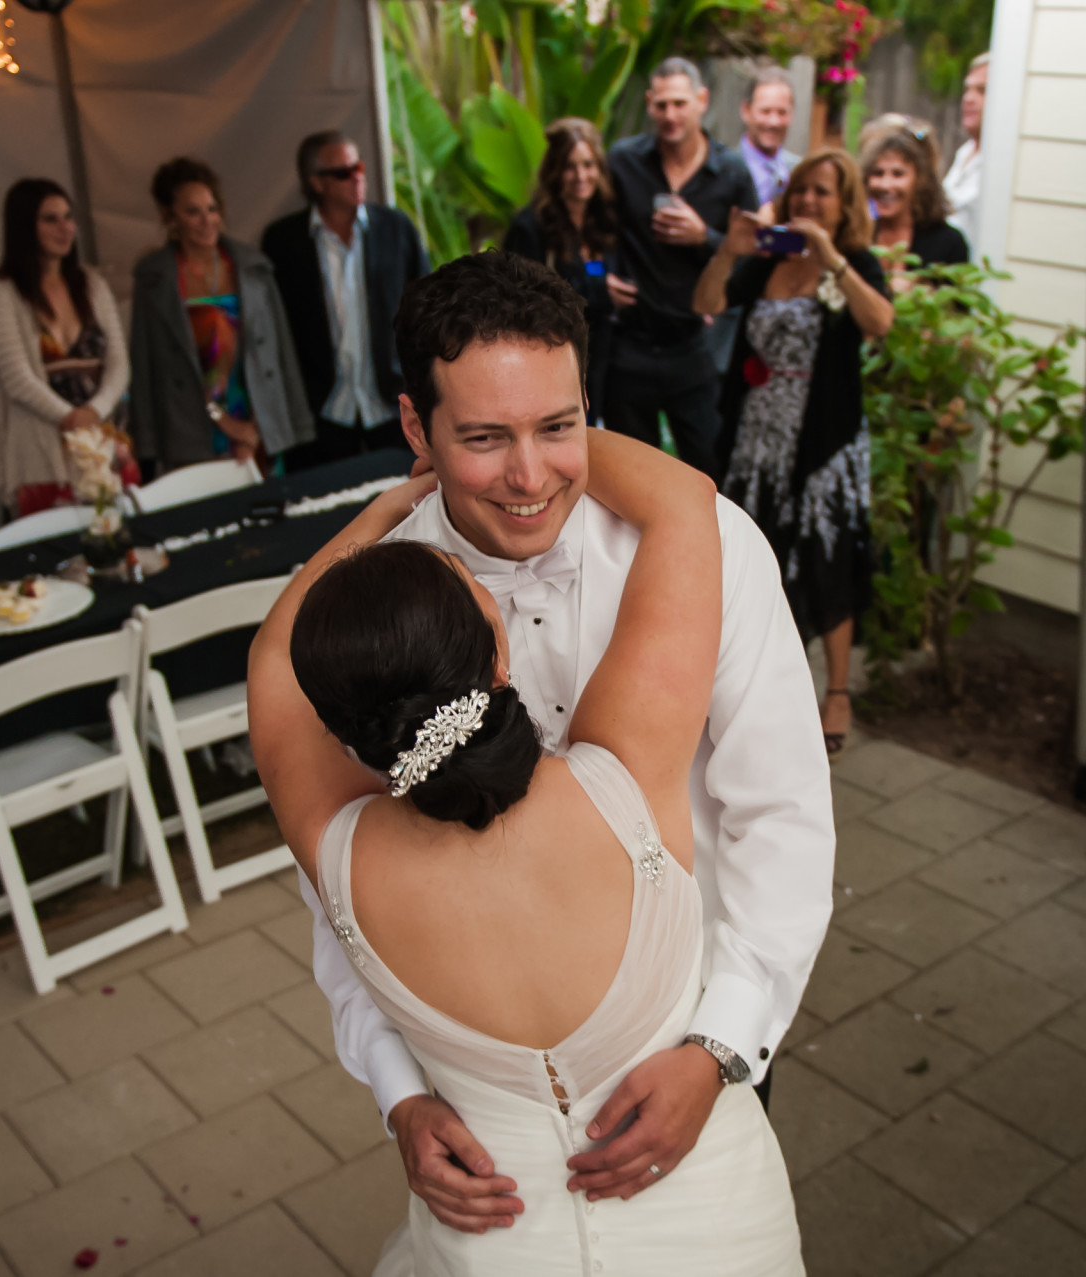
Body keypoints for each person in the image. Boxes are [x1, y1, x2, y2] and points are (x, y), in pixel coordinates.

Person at [275, 250, 834, 1246]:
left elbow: (782, 809)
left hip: (704, 1029)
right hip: (480, 1096)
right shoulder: (367, 612)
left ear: (591, 402)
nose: (530, 476)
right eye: (485, 437)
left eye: (558, 425)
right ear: (415, 428)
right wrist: (399, 1090)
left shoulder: (714, 547)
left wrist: (720, 1043)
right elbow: (339, 889)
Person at [694, 150, 896, 758]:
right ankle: (752, 689)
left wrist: (831, 258)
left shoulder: (851, 263)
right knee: (756, 562)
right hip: (757, 440)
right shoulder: (770, 259)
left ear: (844, 204)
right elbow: (705, 304)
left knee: (826, 557)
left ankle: (837, 690)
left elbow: (880, 322)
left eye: (824, 193)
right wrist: (729, 249)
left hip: (821, 445)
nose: (809, 201)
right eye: (801, 190)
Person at [603, 57, 760, 477]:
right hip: (630, 345)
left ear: (701, 101)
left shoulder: (731, 172)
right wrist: (603, 279)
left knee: (709, 471)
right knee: (631, 477)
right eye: (661, 105)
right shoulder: (622, 161)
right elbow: (593, 233)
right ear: (650, 104)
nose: (670, 115)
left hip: (696, 345)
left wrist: (705, 237)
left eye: (679, 103)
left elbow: (751, 257)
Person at [129, 157, 313, 471]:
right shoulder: (154, 279)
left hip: (256, 425)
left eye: (211, 208)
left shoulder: (254, 268)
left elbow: (279, 354)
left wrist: (266, 424)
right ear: (171, 217)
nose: (206, 220)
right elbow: (148, 368)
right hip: (189, 427)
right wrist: (219, 420)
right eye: (192, 211)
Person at [261, 131, 429, 467]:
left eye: (359, 167)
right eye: (343, 172)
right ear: (316, 183)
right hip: (321, 411)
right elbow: (274, 330)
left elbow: (427, 310)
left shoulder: (395, 228)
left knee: (408, 505)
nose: (357, 177)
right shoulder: (283, 242)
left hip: (391, 404)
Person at [0, 178, 131, 515]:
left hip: (101, 439)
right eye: (50, 219)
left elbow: (119, 362)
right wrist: (71, 418)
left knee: (116, 536)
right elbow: (17, 378)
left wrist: (95, 412)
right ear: (24, 226)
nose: (64, 228)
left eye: (68, 217)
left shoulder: (91, 284)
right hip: (41, 447)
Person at [502, 118, 617, 419]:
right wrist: (602, 291)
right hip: (553, 364)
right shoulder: (530, 228)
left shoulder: (605, 220)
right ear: (555, 171)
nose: (581, 175)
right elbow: (524, 302)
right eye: (570, 166)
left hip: (605, 361)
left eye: (588, 164)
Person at [861, 115, 970, 288]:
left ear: (919, 180)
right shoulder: (857, 234)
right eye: (878, 173)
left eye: (898, 174)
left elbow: (958, 309)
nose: (885, 184)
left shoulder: (948, 242)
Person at [942, 53, 989, 255]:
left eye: (982, 90)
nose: (969, 99)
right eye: (967, 89)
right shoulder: (965, 152)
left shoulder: (1000, 161)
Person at [738, 66, 799, 218]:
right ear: (746, 111)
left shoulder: (799, 170)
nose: (774, 122)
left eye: (782, 112)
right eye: (765, 111)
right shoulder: (726, 169)